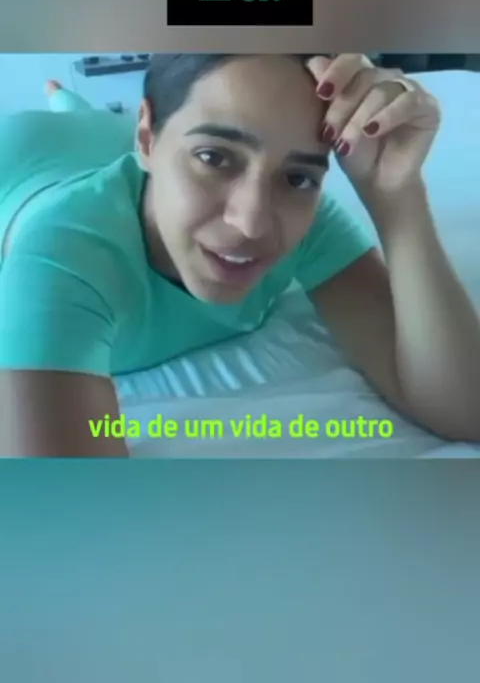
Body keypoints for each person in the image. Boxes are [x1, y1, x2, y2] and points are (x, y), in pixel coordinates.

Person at [0, 53, 479, 457]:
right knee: (67, 121)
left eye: (298, 176)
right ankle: (63, 102)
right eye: (214, 157)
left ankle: (73, 105)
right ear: (147, 140)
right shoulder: (63, 251)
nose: (252, 223)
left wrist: (397, 201)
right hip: (22, 152)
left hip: (109, 138)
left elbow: (464, 410)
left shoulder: (306, 217)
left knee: (95, 122)